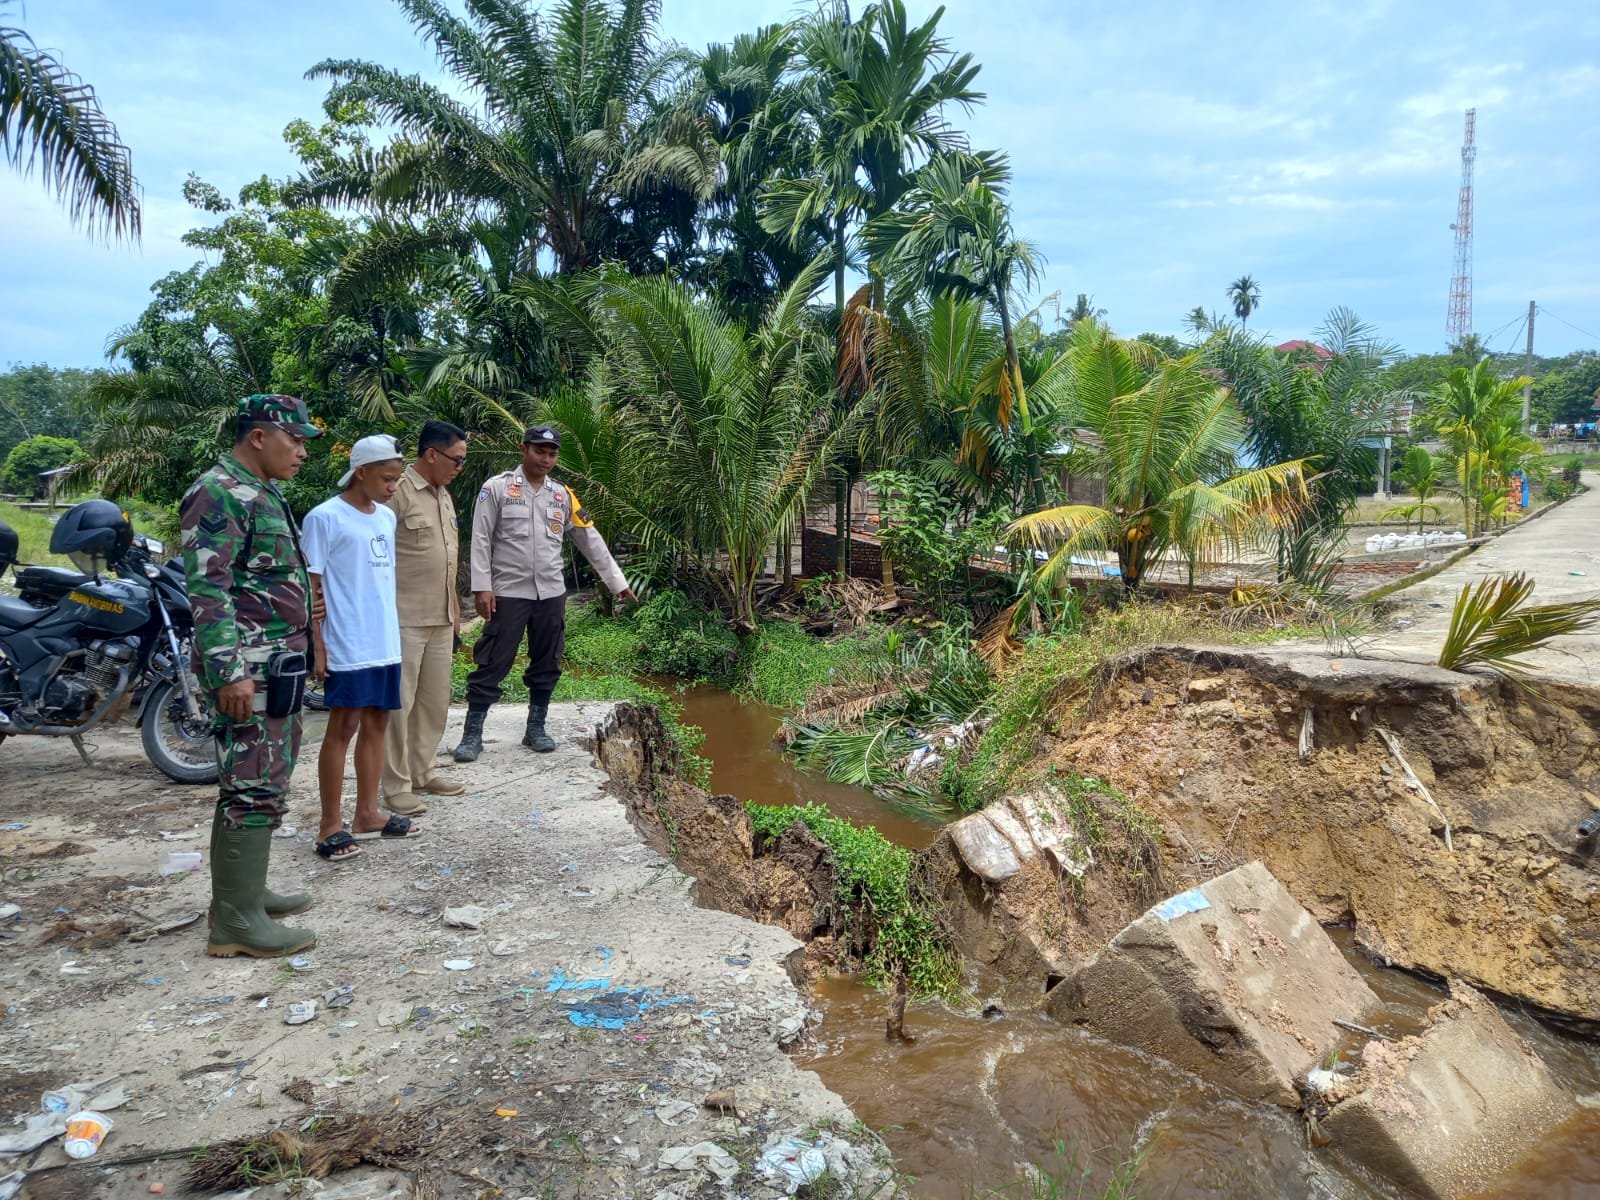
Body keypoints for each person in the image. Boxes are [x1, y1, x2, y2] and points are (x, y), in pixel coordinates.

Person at [182, 393, 320, 958]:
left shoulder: (262, 491)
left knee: (259, 779)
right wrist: (228, 672)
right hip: (248, 671)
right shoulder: (218, 491)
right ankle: (235, 924)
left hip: (275, 666)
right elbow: (208, 589)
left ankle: (243, 895)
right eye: (296, 440)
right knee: (252, 782)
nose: (303, 452)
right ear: (259, 436)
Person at [453, 425, 635, 761]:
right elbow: (480, 539)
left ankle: (536, 727)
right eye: (540, 451)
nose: (546, 458)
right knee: (493, 659)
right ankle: (472, 733)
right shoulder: (497, 488)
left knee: (547, 659)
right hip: (508, 591)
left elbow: (588, 538)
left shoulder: (562, 495)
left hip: (551, 593)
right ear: (524, 449)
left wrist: (617, 582)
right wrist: (482, 587)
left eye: (552, 453)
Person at [302, 435, 419, 860]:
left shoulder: (385, 518)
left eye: (397, 479)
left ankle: (367, 813)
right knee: (342, 728)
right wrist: (318, 647)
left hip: (383, 639)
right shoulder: (325, 518)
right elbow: (311, 587)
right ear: (361, 472)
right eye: (387, 479)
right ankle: (328, 825)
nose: (392, 487)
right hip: (346, 640)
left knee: (377, 724)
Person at [380, 420, 468, 816]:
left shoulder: (443, 495)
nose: (459, 468)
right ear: (431, 454)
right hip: (403, 616)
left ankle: (423, 769)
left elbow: (447, 558)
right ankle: (396, 784)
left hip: (441, 616)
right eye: (456, 460)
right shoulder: (397, 492)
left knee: (434, 702)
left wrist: (454, 610)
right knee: (398, 705)